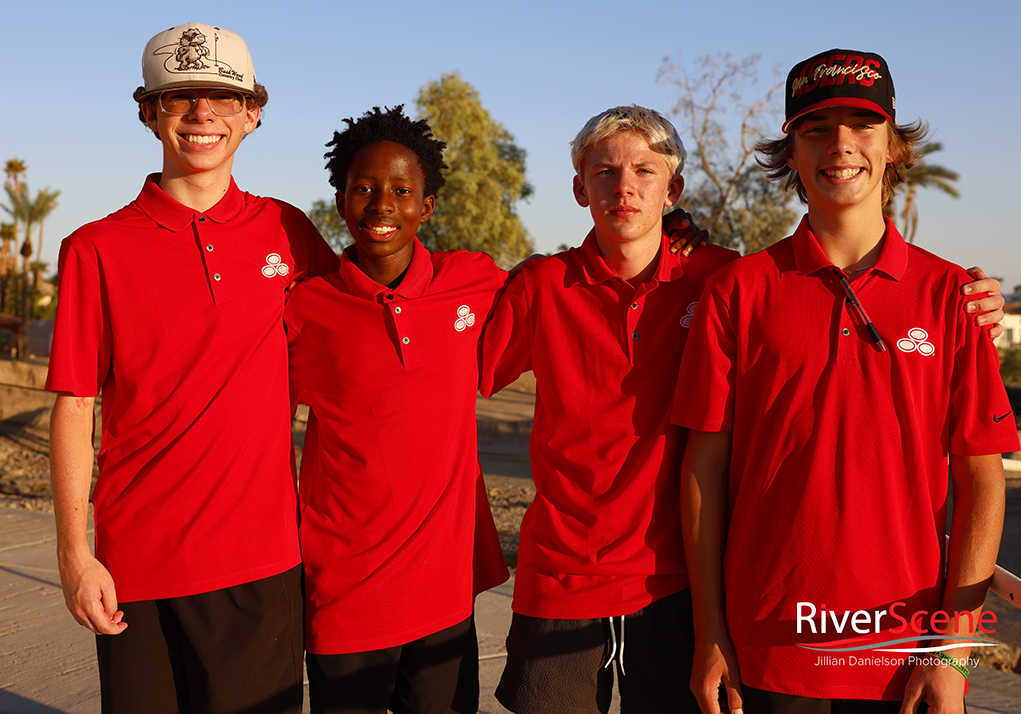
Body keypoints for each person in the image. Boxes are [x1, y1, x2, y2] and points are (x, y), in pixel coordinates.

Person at [673, 48, 1018, 714]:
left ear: (893, 145)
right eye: (815, 128)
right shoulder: (737, 293)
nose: (840, 145)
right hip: (767, 647)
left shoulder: (953, 296)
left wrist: (950, 651)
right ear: (791, 154)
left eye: (861, 125)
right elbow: (703, 471)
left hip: (901, 652)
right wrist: (709, 630)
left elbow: (982, 478)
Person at [46, 22, 338, 713]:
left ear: (252, 115)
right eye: (179, 99)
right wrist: (73, 555)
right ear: (149, 114)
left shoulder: (289, 232)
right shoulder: (96, 248)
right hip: (135, 565)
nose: (201, 114)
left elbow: (355, 346)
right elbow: (75, 406)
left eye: (220, 98)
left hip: (261, 562)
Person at [479, 105, 740, 714]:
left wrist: (972, 303)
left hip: (679, 580)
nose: (624, 186)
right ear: (579, 189)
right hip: (561, 576)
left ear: (672, 190)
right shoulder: (541, 285)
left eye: (645, 171)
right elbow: (453, 370)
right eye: (604, 171)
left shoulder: (720, 277)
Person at [285, 105, 512, 714]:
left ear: (427, 205)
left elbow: (565, 287)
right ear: (339, 201)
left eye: (401, 190)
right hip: (344, 587)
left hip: (441, 583)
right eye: (364, 188)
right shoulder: (307, 308)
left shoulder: (475, 282)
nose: (381, 205)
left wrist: (672, 238)